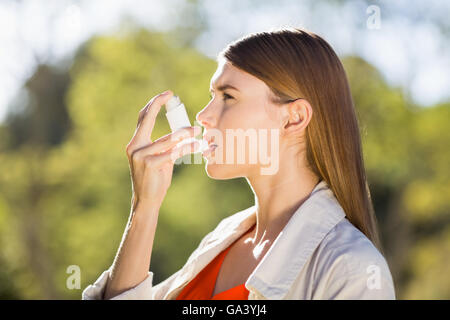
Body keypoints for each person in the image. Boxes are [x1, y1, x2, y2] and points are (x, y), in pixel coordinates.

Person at [82, 27, 395, 300]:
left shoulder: (351, 269)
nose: (203, 115)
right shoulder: (220, 241)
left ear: (293, 118)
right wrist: (144, 208)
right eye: (212, 96)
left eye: (227, 97)